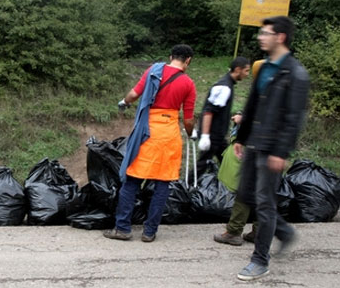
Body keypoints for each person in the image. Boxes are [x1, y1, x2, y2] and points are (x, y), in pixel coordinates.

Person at [233, 16, 310, 281]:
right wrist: (240, 138)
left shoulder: (295, 73)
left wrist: (281, 152)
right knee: (245, 194)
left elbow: (294, 117)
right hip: (254, 140)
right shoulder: (264, 67)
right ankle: (285, 231)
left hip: (272, 147)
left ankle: (259, 260)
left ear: (281, 37)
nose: (260, 37)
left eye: (266, 33)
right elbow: (252, 105)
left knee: (265, 203)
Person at [103, 44, 197, 243]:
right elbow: (188, 120)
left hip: (147, 133)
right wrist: (191, 134)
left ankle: (122, 228)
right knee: (162, 185)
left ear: (170, 55)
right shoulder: (188, 84)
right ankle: (149, 232)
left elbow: (134, 94)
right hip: (169, 135)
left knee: (132, 181)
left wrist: (124, 102)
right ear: (188, 60)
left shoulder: (153, 71)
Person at [214, 59, 265, 246]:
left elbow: (256, 119)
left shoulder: (262, 90)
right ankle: (259, 232)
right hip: (270, 149)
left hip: (255, 147)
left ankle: (234, 231)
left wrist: (240, 120)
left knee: (245, 190)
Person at [196, 57, 250, 180]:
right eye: (246, 71)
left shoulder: (228, 85)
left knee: (226, 160)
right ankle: (185, 188)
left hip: (218, 137)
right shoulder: (224, 87)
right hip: (212, 137)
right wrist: (205, 136)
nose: (247, 74)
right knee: (201, 166)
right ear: (238, 69)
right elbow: (209, 112)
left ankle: (226, 186)